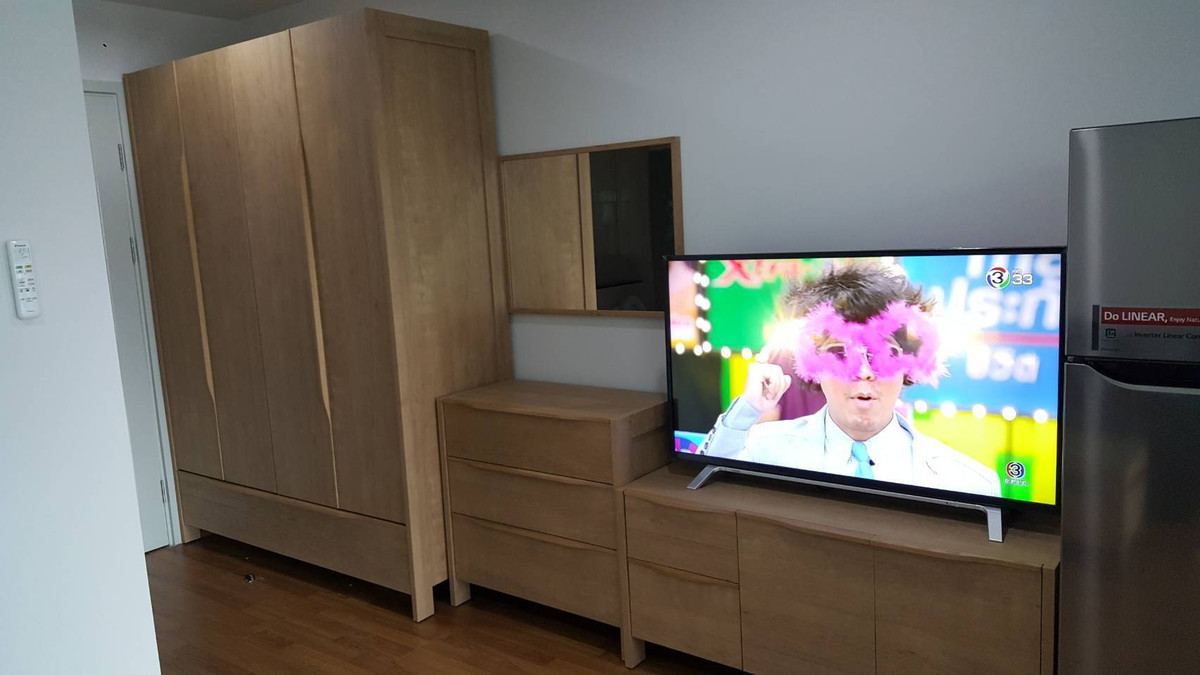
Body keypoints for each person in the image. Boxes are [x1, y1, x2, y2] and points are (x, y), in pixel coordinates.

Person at [697, 262, 1000, 498]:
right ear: (812, 364)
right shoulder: (762, 450)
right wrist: (748, 408)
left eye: (884, 353)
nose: (864, 371)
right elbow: (708, 483)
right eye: (840, 353)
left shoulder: (969, 483)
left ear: (910, 364)